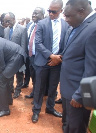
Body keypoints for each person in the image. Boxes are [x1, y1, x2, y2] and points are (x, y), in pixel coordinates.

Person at [61, 0, 96, 132]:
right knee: (68, 125)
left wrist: (80, 95)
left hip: (77, 93)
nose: (66, 19)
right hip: (68, 89)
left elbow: (92, 67)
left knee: (76, 127)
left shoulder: (93, 28)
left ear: (81, 11)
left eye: (68, 16)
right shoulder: (80, 25)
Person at [31, 0, 69, 123]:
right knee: (39, 88)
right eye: (49, 11)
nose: (51, 13)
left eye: (54, 11)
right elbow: (38, 43)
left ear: (61, 11)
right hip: (43, 62)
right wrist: (51, 56)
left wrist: (58, 58)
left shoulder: (66, 25)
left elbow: (67, 44)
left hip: (57, 63)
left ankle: (50, 108)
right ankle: (36, 111)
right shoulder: (42, 23)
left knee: (53, 87)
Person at [3, 12, 28, 98]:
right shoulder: (5, 30)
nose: (7, 23)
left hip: (18, 56)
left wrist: (21, 58)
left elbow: (23, 45)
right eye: (5, 21)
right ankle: (11, 88)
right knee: (9, 74)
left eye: (8, 21)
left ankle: (18, 90)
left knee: (19, 75)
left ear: (14, 19)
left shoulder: (22, 29)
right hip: (8, 58)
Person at [24, 7, 45, 99]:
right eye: (33, 13)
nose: (33, 15)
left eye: (36, 13)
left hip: (40, 56)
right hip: (31, 55)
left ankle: (38, 96)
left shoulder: (45, 25)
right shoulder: (30, 25)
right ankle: (34, 92)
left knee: (39, 78)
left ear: (43, 15)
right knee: (33, 76)